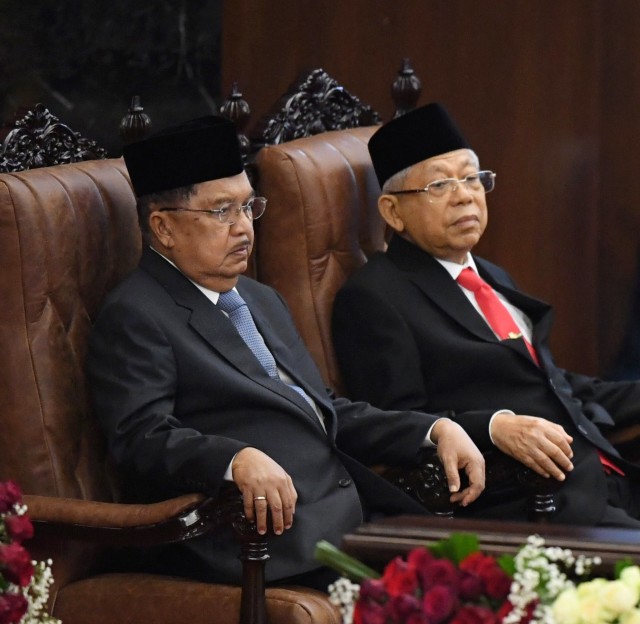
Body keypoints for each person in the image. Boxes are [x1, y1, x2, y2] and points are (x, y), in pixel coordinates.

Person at [87, 114, 485, 592]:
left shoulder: (258, 298)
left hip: (348, 514)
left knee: (489, 591)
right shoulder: (137, 313)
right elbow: (141, 438)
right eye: (221, 212)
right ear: (163, 228)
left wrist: (432, 428)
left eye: (247, 207)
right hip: (263, 543)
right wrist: (235, 460)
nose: (243, 229)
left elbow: (324, 411)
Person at [332, 102, 640, 528]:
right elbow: (400, 423)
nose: (465, 195)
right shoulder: (374, 296)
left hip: (604, 475)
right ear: (392, 212)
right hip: (531, 501)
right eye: (439, 185)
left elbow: (555, 384)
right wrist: (495, 427)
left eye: (472, 177)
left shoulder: (490, 275)